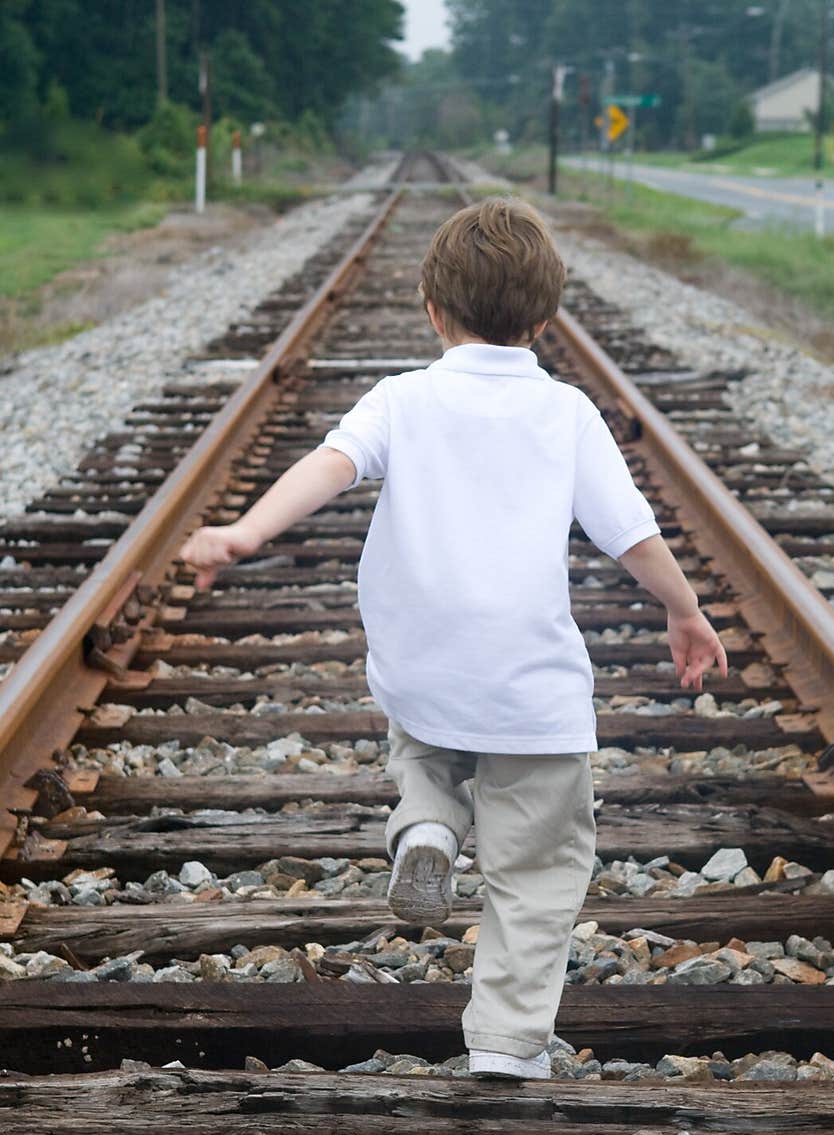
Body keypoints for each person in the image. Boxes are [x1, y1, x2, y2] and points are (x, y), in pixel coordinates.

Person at [180, 198, 727, 1081]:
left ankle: (429, 826)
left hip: (423, 667)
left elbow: (332, 465)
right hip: (533, 690)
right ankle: (506, 1045)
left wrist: (244, 531)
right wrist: (684, 610)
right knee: (538, 866)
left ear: (433, 310)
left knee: (425, 748)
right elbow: (630, 534)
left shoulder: (401, 398)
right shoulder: (569, 412)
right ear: (545, 324)